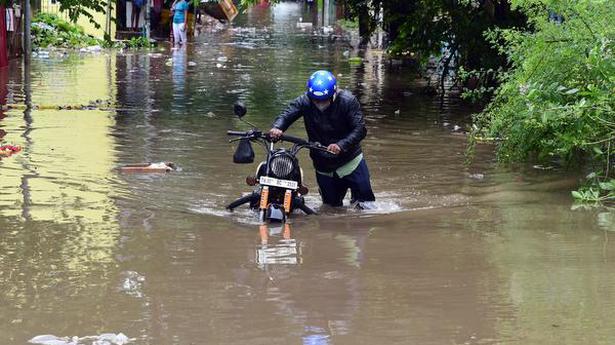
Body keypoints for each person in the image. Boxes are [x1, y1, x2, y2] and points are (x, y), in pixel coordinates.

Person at [269, 70, 376, 208]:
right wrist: (277, 127)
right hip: (323, 164)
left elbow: (360, 129)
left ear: (333, 94)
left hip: (351, 161)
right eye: (316, 100)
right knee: (330, 209)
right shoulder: (305, 101)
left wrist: (341, 145)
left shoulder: (348, 101)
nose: (320, 103)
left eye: (324, 100)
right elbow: (287, 114)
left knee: (366, 205)